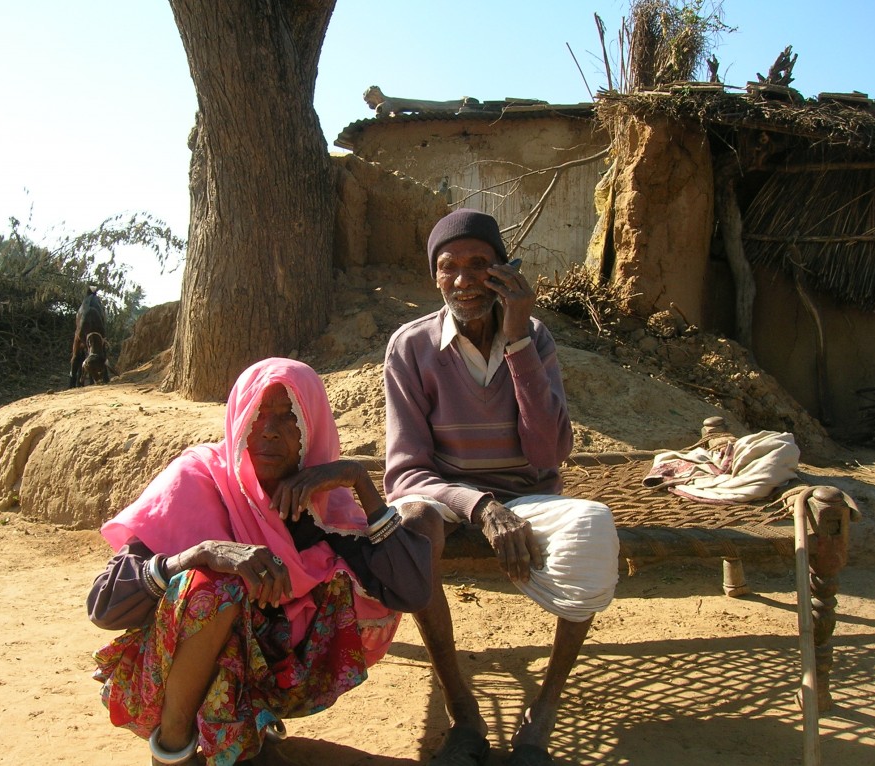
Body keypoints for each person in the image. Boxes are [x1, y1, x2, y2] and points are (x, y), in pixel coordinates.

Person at [88, 357, 438, 766]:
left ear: (311, 425)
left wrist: (359, 480)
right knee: (216, 586)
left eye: (288, 415)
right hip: (166, 669)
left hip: (274, 678)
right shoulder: (196, 479)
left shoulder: (323, 507)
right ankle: (174, 749)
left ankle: (247, 728)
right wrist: (199, 554)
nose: (269, 429)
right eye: (257, 412)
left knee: (343, 579)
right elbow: (104, 605)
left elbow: (411, 590)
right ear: (238, 419)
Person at [385, 209, 620, 766]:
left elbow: (547, 453)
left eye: (479, 265)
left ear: (503, 272)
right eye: (449, 268)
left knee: (594, 527)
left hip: (528, 496)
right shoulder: (411, 347)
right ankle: (464, 714)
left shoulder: (534, 337)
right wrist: (480, 505)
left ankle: (542, 714)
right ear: (435, 277)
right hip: (449, 498)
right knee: (412, 527)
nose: (464, 280)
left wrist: (516, 341)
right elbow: (405, 473)